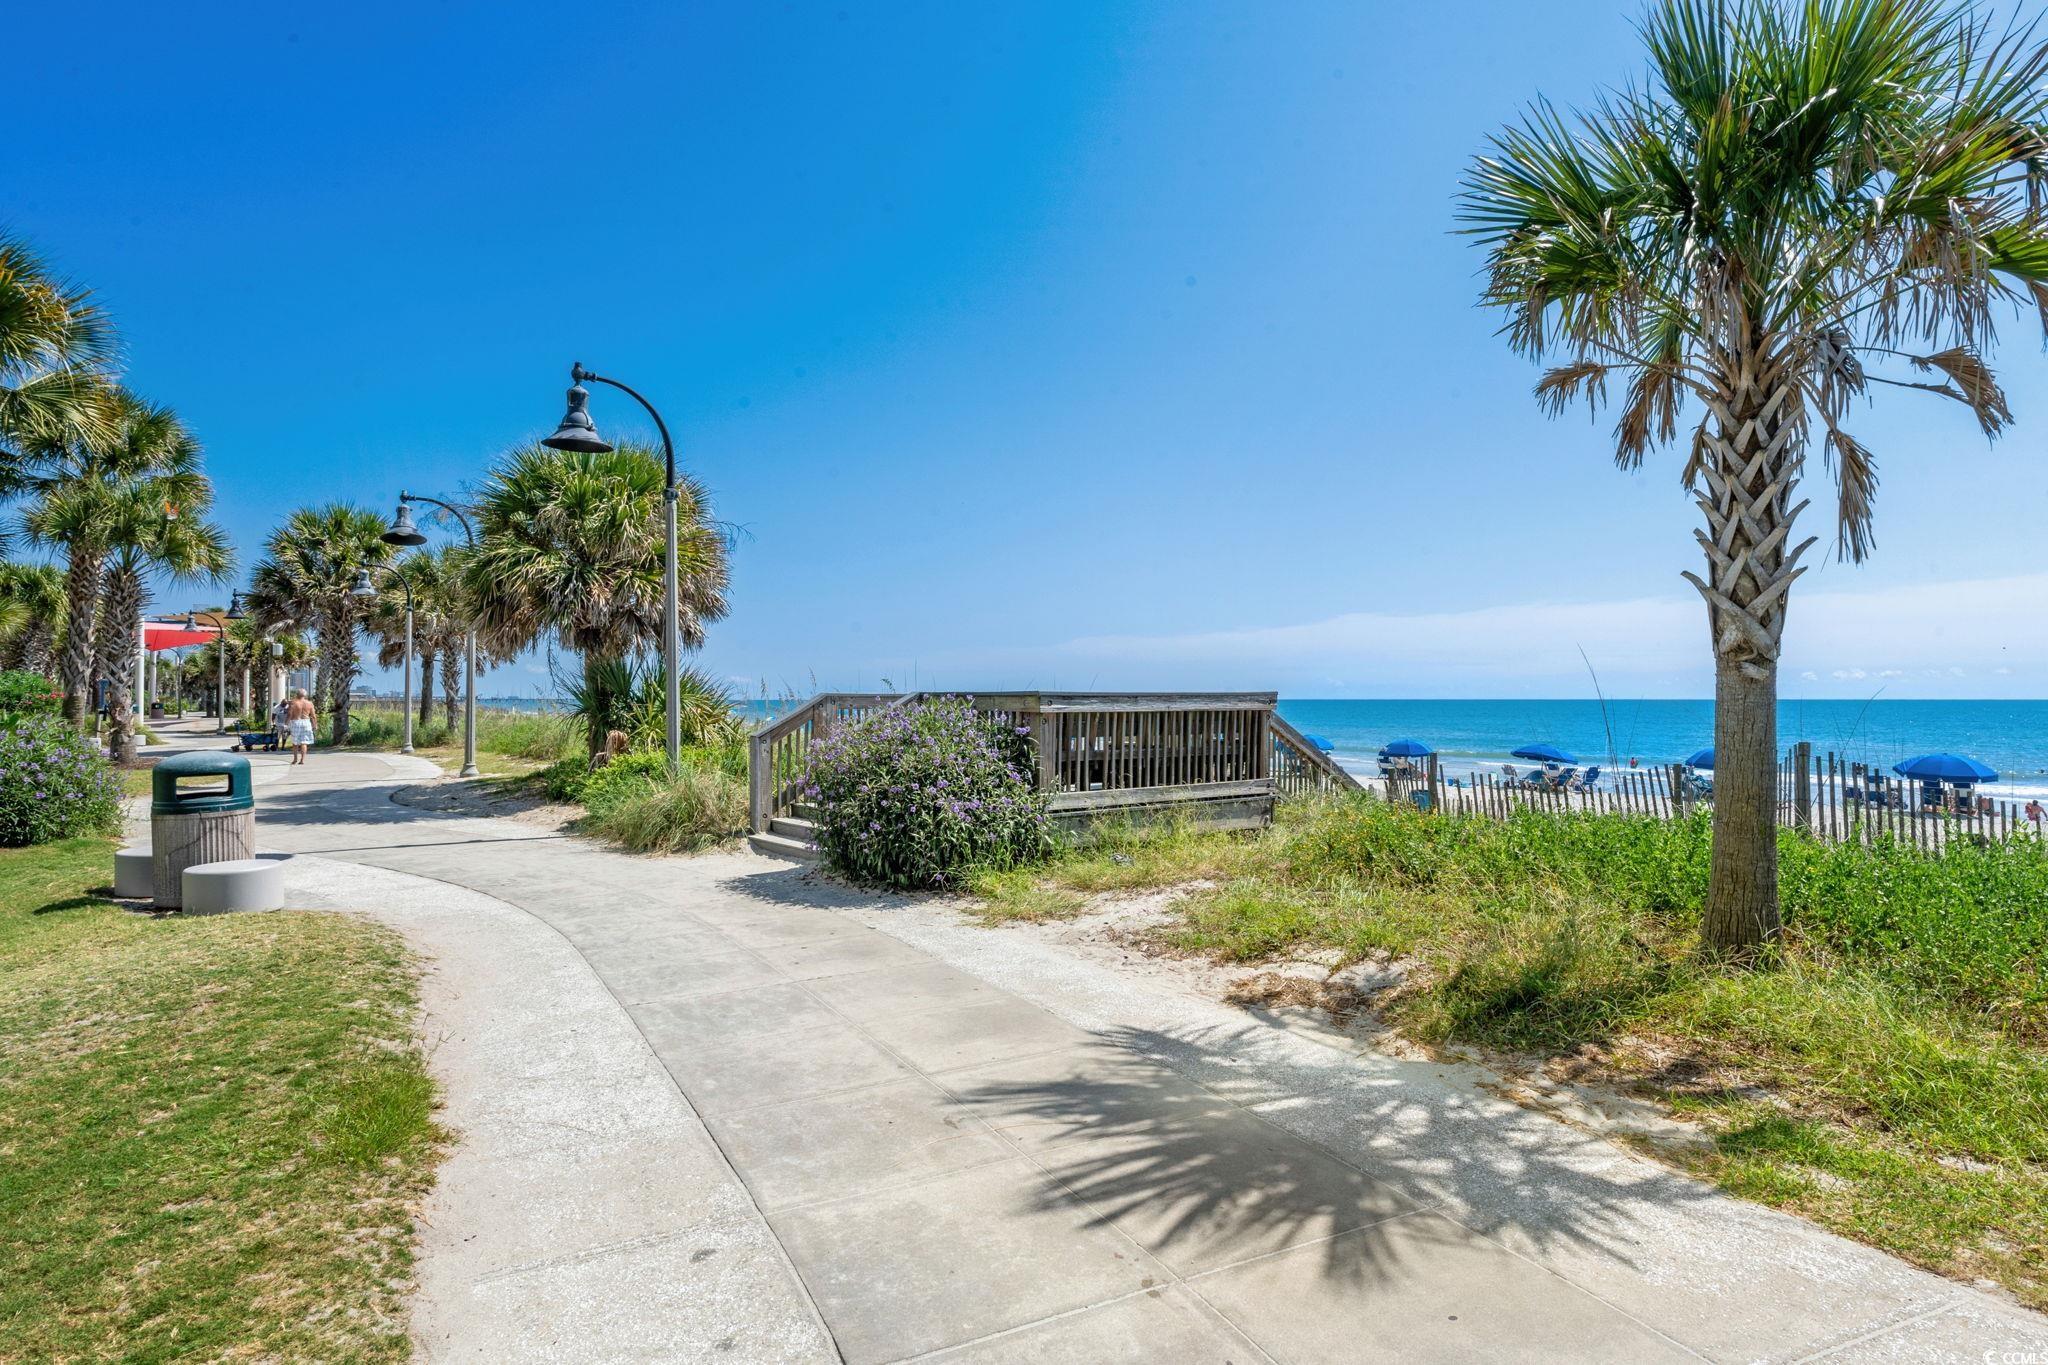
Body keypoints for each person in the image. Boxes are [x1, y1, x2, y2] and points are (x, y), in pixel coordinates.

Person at [285, 688, 316, 765]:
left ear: (297, 694)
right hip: (306, 722)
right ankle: (302, 760)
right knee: (304, 742)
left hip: (296, 722)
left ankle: (295, 759)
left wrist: (286, 724)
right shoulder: (309, 703)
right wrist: (315, 725)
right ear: (305, 695)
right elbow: (313, 716)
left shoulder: (293, 703)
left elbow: (289, 714)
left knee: (295, 742)